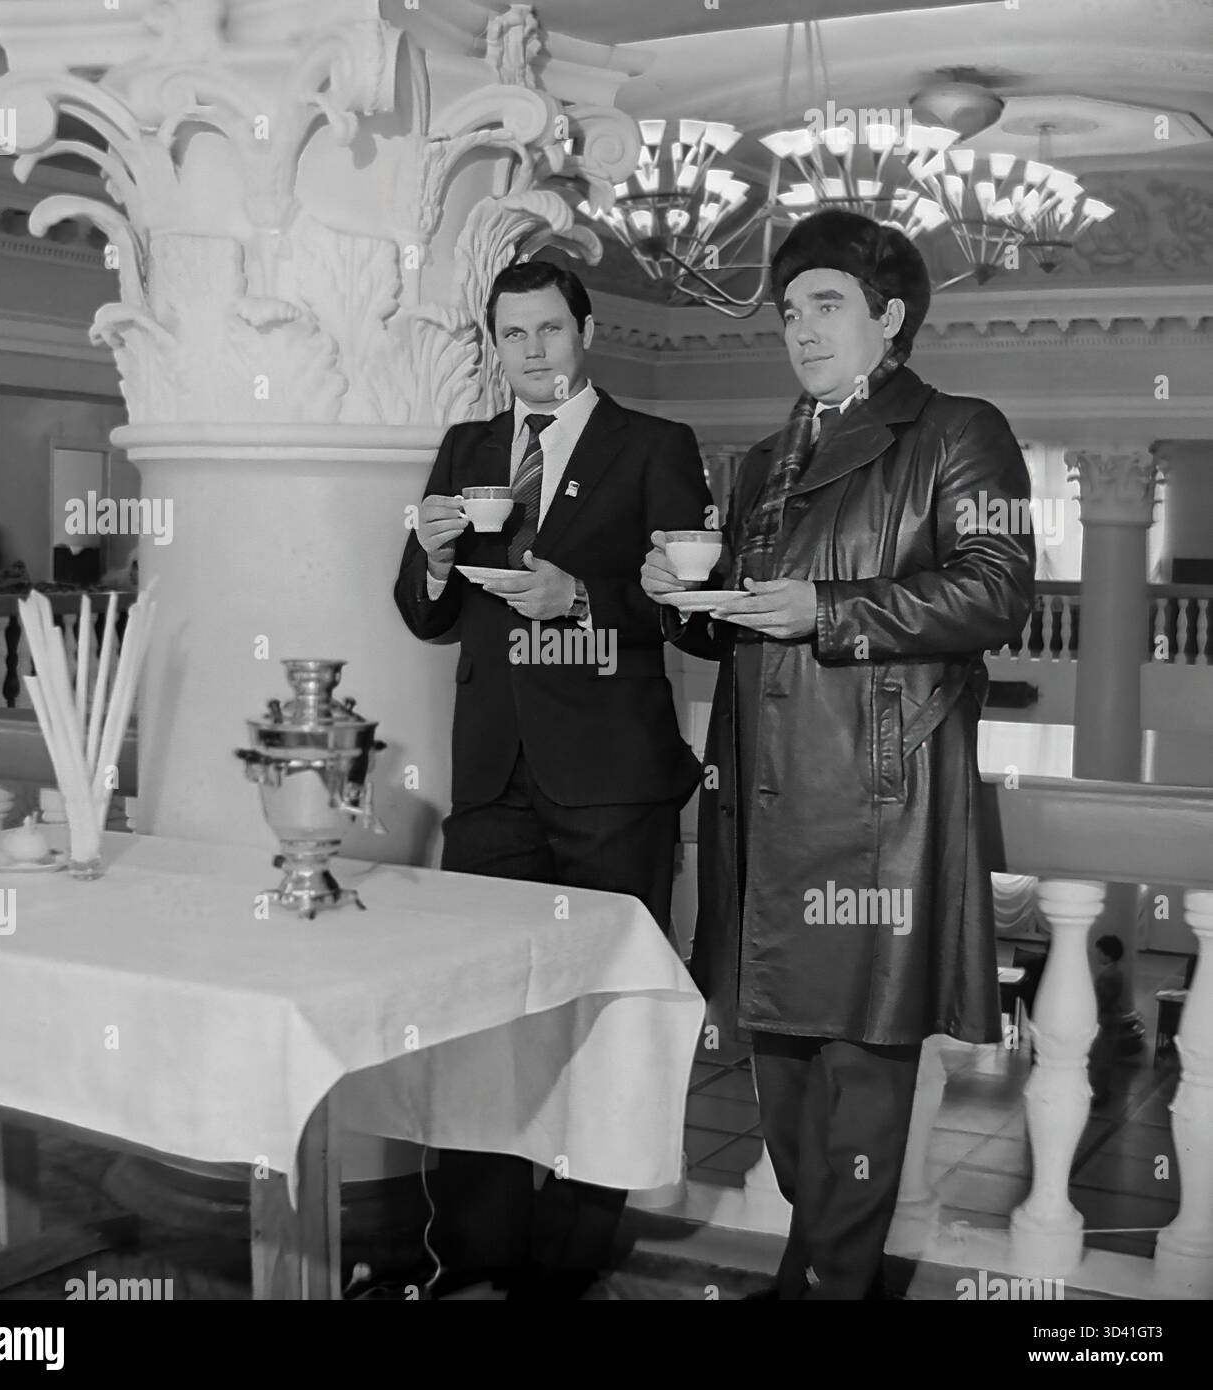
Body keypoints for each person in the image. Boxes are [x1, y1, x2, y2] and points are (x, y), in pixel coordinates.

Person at [641, 209, 1036, 1300]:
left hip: (876, 807)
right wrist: (683, 605)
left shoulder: (959, 430)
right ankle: (813, 1269)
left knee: (861, 1072)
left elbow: (998, 585)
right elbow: (744, 623)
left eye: (825, 306)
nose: (800, 330)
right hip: (761, 805)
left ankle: (834, 1283)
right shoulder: (766, 459)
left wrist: (828, 606)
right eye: (787, 312)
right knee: (778, 1081)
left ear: (888, 316)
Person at [394, 258, 713, 1299]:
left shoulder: (656, 446)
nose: (530, 351)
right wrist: (433, 557)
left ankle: (568, 1267)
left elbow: (685, 611)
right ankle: (475, 1258)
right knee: (474, 1021)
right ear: (494, 343)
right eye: (511, 334)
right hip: (491, 779)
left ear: (584, 331)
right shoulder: (466, 448)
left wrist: (578, 593)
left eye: (547, 329)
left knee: (605, 1023)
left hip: (611, 780)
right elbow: (425, 612)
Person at [1088, 935, 1126, 1106]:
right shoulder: (1115, 972)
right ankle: (1101, 1091)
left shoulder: (1109, 976)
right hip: (1110, 1020)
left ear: (1107, 954)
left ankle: (1099, 1093)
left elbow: (1102, 1000)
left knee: (1100, 1059)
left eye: (1099, 953)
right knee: (1104, 1058)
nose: (1097, 956)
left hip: (1105, 1021)